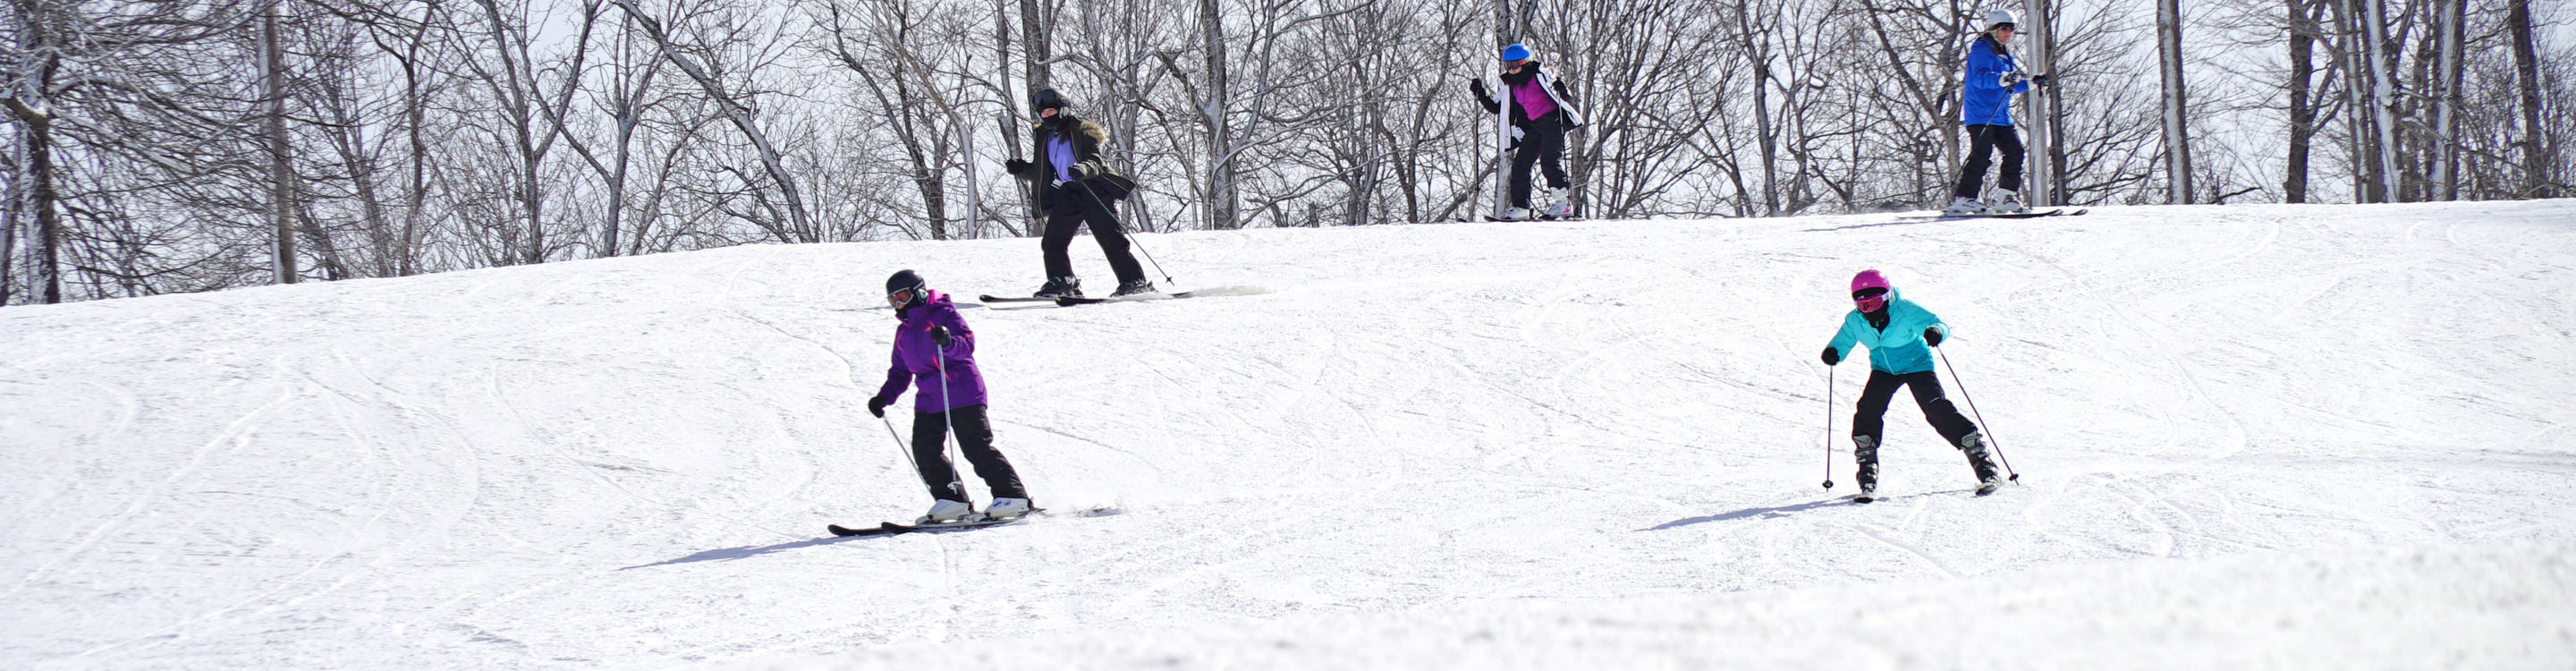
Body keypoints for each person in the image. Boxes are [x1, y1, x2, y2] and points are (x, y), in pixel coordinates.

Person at [1818, 270, 2001, 500]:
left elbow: (1938, 323)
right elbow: (1844, 339)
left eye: (1874, 302)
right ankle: (1867, 468)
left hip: (1918, 365)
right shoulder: (1855, 320)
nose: (1869, 310)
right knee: (1867, 410)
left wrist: (1935, 332)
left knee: (1937, 409)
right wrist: (1834, 351)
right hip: (1884, 369)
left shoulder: (1904, 309)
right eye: (1863, 305)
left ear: (1886, 297)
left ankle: (1983, 462)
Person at [869, 269, 1032, 522]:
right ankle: (952, 500)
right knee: (924, 450)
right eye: (893, 300)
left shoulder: (944, 314)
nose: (898, 304)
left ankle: (1012, 495)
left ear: (918, 292)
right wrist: (883, 398)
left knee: (975, 446)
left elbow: (966, 345)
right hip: (929, 398)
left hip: (961, 390)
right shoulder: (903, 332)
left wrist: (947, 341)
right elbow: (900, 372)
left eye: (901, 296)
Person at [1003, 88, 1153, 299]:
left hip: (1093, 189)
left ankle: (1134, 282)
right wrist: (1021, 169)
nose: (1047, 116)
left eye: (1051, 111)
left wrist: (1082, 169)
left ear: (1063, 109)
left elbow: (1095, 161)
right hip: (1068, 192)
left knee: (1110, 239)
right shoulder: (1045, 136)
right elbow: (1042, 171)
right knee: (1053, 241)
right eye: (1043, 113)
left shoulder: (1081, 130)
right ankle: (1062, 282)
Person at [1469, 44, 1585, 220]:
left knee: (1549, 160)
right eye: (1508, 66)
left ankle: (1563, 204)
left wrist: (1562, 88)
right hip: (1534, 126)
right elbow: (1495, 107)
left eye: (1514, 65)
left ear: (1524, 62)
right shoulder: (1509, 85)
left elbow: (1562, 91)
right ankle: (1521, 207)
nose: (1511, 70)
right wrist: (1480, 93)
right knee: (1521, 164)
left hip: (1553, 121)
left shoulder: (1539, 74)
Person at [1948, 10, 2048, 216]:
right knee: (1981, 155)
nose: (2008, 33)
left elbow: (2008, 84)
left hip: (2000, 115)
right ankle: (1964, 199)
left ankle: (2005, 197)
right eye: (2004, 28)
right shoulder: (1981, 50)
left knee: (2015, 152)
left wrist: (2030, 83)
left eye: (2011, 28)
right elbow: (1980, 79)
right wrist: (2002, 78)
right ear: (1993, 29)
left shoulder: (2005, 55)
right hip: (1981, 114)